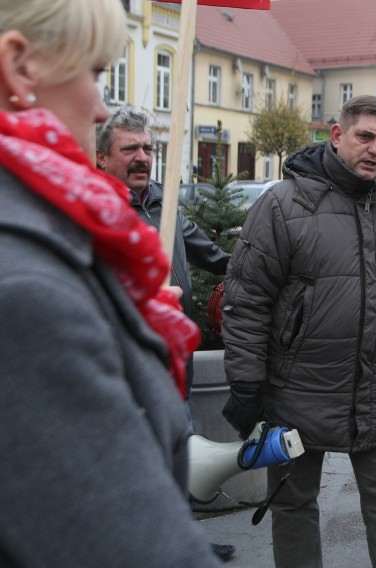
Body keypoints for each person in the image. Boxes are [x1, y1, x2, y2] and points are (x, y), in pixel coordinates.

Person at [0, 0, 222, 565]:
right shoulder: (27, 287)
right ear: (20, 66)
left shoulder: (55, 224)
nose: (101, 106)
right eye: (95, 72)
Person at [221, 95, 376, 567]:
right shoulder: (284, 204)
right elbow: (246, 299)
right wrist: (246, 383)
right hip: (296, 391)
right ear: (337, 135)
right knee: (292, 506)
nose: (375, 149)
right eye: (364, 136)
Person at [96, 106, 234, 562]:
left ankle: (183, 539)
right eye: (129, 148)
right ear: (102, 157)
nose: (141, 157)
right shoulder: (95, 207)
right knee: (134, 456)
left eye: (148, 148)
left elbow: (210, 253)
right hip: (131, 355)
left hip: (178, 357)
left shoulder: (162, 200)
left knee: (179, 446)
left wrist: (255, 267)